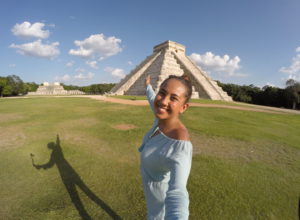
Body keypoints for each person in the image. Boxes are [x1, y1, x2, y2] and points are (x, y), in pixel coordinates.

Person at [139, 74, 193, 220]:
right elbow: (152, 99)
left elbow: (178, 192)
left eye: (173, 98)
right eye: (162, 93)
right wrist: (148, 85)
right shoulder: (161, 117)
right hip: (151, 190)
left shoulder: (179, 142)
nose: (163, 101)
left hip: (160, 197)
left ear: (184, 107)